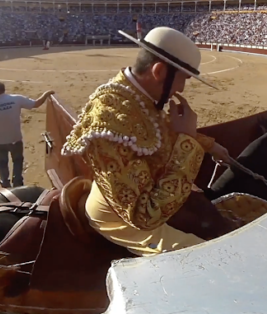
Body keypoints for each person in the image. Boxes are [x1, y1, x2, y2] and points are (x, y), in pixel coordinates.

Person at [61, 27, 233, 257]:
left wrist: (208, 144)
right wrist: (188, 143)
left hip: (145, 188)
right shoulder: (109, 118)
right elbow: (144, 216)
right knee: (207, 255)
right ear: (160, 71)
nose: (181, 88)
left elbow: (155, 132)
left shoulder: (136, 94)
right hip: (118, 219)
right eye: (182, 79)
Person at [0, 82, 55, 188]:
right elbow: (36, 103)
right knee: (17, 161)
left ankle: (5, 184)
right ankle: (17, 183)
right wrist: (46, 94)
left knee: (2, 163)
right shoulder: (16, 99)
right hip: (15, 138)